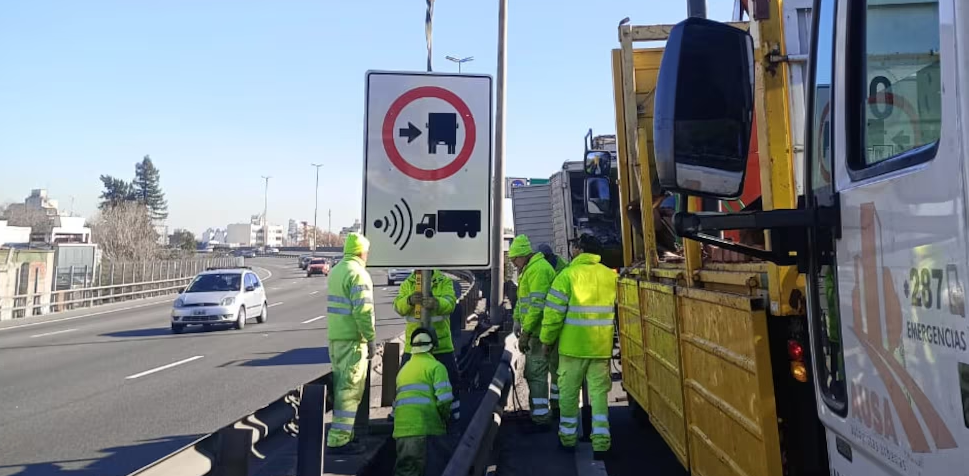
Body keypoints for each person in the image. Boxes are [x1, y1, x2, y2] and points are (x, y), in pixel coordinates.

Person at [540, 233, 618, 460]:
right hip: (600, 347)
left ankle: (568, 440)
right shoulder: (609, 275)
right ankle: (602, 444)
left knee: (568, 395)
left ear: (580, 250)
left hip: (572, 349)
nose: (572, 249)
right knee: (599, 395)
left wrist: (547, 340)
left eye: (574, 246)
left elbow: (553, 314)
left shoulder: (567, 276)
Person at [325, 232, 378, 455]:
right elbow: (363, 312)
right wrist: (371, 338)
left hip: (336, 339)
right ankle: (339, 441)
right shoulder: (359, 274)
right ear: (362, 252)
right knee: (349, 390)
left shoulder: (337, 271)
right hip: (353, 341)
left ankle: (348, 435)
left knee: (341, 388)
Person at [393, 269, 461, 420]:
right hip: (414, 345)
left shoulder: (443, 281)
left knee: (451, 381)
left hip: (440, 344)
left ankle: (454, 416)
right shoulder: (408, 283)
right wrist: (409, 301)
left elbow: (450, 304)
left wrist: (437, 303)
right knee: (404, 380)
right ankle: (398, 414)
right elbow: (398, 307)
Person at [508, 234, 557, 429]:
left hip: (540, 332)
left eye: (514, 260)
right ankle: (545, 413)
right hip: (537, 331)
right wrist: (516, 320)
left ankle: (541, 419)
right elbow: (523, 301)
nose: (513, 264)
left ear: (523, 256)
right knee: (538, 374)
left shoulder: (538, 270)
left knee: (536, 374)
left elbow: (537, 305)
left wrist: (526, 331)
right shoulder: (530, 270)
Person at [393, 328, 454, 476]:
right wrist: (445, 419)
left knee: (405, 471)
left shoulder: (403, 371)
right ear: (433, 346)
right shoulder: (436, 368)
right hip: (426, 430)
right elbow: (445, 400)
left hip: (401, 434)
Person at [537, 243, 567, 414]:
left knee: (555, 367)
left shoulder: (557, 272)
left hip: (556, 325)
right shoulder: (562, 267)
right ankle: (557, 404)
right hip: (560, 325)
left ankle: (557, 405)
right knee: (557, 368)